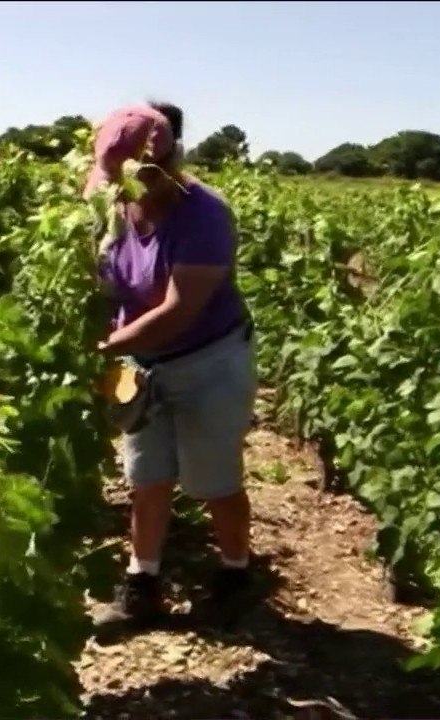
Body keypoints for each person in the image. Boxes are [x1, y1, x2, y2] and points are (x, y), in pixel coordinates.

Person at [86, 101, 258, 634]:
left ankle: (236, 575)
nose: (120, 188)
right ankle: (143, 583)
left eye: (132, 176)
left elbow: (180, 309)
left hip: (208, 361)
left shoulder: (203, 213)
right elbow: (93, 273)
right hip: (140, 362)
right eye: (113, 176)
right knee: (146, 474)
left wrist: (102, 349)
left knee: (213, 479)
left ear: (167, 166)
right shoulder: (110, 204)